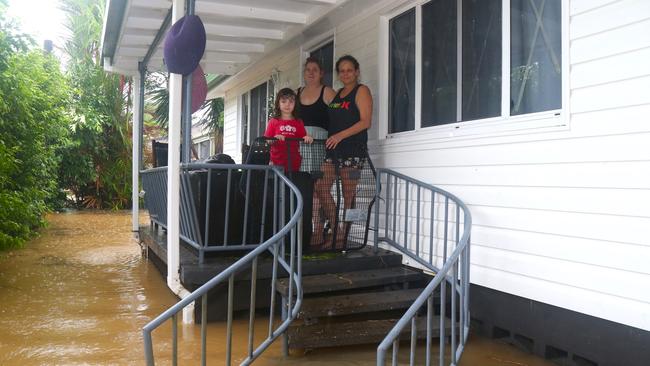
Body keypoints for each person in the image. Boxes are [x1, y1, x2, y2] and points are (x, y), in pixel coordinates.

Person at [313, 55, 373, 248]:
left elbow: (365, 121)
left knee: (349, 195)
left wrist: (340, 136)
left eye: (349, 70)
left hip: (353, 151)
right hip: (333, 151)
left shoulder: (361, 90)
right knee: (320, 187)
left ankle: (343, 237)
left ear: (356, 71)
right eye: (342, 71)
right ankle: (337, 228)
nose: (345, 74)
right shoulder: (337, 94)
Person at [296, 57, 336, 172]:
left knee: (317, 180)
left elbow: (338, 112)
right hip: (299, 142)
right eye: (308, 70)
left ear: (321, 73)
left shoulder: (328, 92)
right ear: (304, 73)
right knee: (299, 177)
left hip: (319, 142)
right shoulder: (296, 93)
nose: (311, 73)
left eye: (315, 70)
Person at [264, 88, 313, 172]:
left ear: (295, 104)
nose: (287, 104)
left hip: (294, 163)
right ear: (278, 104)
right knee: (277, 185)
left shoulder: (298, 122)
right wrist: (274, 138)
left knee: (291, 184)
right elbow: (267, 140)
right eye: (283, 101)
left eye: (291, 102)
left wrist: (308, 138)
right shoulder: (273, 121)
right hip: (276, 163)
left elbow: (304, 137)